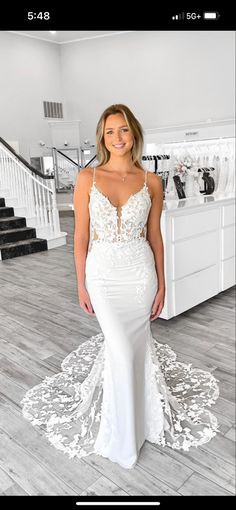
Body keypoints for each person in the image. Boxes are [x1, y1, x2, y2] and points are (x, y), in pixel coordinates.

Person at [21, 104, 219, 470]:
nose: (118, 138)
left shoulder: (152, 182)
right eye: (110, 132)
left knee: (133, 349)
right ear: (102, 137)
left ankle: (140, 420)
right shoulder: (87, 178)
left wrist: (161, 285)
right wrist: (80, 284)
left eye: (124, 130)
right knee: (123, 351)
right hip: (103, 276)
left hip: (140, 275)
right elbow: (80, 237)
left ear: (134, 134)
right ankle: (124, 436)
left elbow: (156, 238)